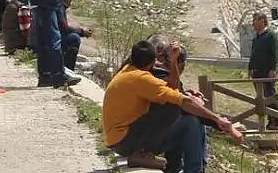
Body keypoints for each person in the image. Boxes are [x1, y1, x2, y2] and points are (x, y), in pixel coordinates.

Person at [103, 40, 242, 171]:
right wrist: (219, 120)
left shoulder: (129, 71)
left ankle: (175, 167)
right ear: (153, 61)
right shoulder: (142, 78)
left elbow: (172, 89)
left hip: (119, 139)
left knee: (187, 120)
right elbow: (181, 101)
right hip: (125, 142)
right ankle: (145, 156)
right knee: (180, 113)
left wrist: (174, 61)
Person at [248, 11, 278, 130]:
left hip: (267, 71)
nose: (253, 24)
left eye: (255, 21)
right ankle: (270, 121)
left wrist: (273, 69)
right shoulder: (256, 37)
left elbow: (274, 54)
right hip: (257, 71)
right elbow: (253, 55)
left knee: (270, 96)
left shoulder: (271, 36)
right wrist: (250, 69)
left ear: (262, 21)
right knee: (261, 98)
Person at [58, 0, 92, 71]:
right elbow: (63, 28)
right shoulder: (59, 8)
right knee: (74, 38)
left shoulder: (59, 7)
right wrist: (81, 31)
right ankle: (68, 69)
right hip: (51, 41)